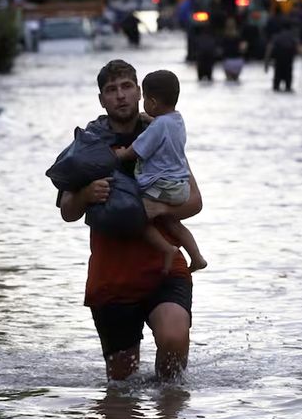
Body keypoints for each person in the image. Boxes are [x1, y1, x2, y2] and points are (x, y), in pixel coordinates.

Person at [58, 59, 202, 382]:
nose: (120, 96)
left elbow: (194, 201)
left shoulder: (162, 130)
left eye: (126, 87)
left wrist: (160, 210)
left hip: (164, 267)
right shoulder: (89, 143)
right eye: (111, 90)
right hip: (112, 278)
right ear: (101, 100)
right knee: (122, 388)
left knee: (174, 342)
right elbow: (68, 210)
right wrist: (86, 195)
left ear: (140, 92)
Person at [112, 70, 206, 275]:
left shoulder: (158, 126)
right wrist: (152, 119)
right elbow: (163, 129)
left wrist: (120, 154)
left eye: (145, 98)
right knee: (173, 223)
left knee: (138, 213)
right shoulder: (176, 120)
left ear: (152, 102)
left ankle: (167, 249)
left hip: (162, 186)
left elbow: (137, 149)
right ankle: (197, 257)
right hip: (179, 186)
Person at [265, 23, 299, 92]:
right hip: (289, 59)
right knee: (288, 77)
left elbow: (270, 49)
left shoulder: (276, 36)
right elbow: (298, 48)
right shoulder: (292, 36)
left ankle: (276, 86)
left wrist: (266, 64)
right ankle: (288, 87)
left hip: (278, 59)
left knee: (277, 77)